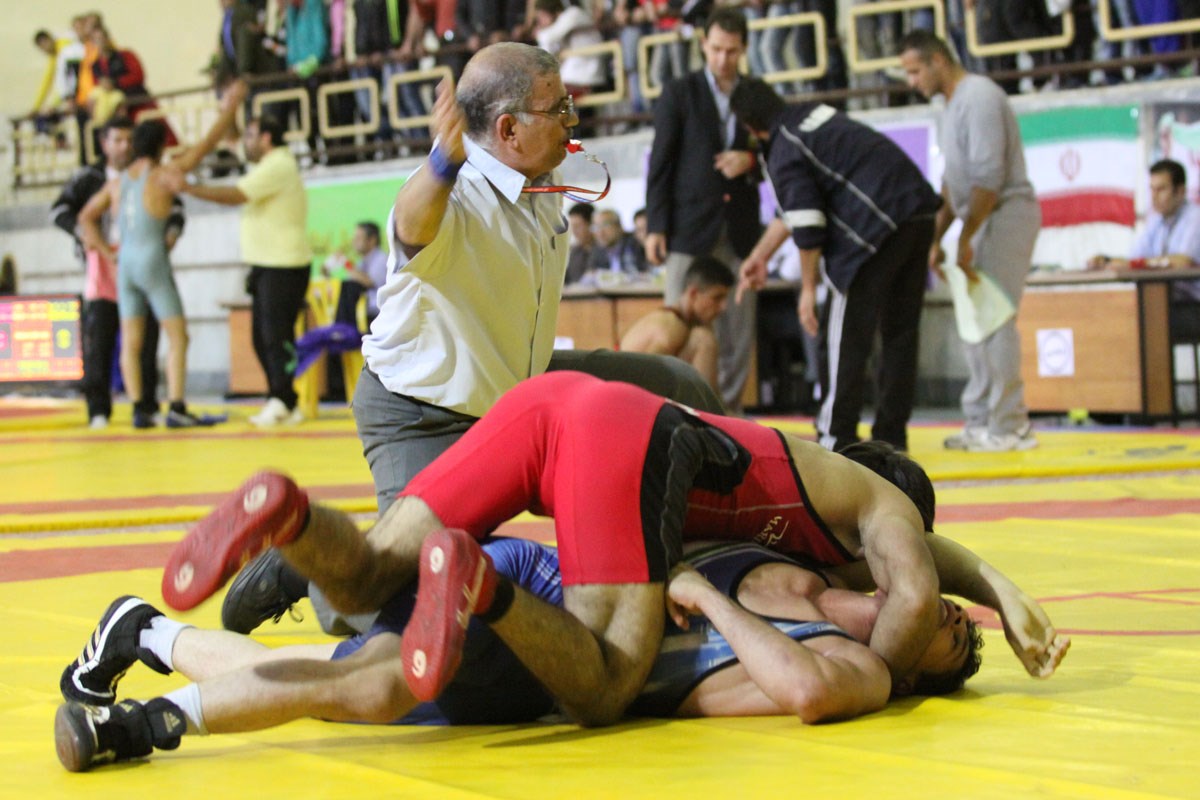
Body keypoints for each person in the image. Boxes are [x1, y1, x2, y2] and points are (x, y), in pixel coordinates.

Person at [160, 372, 1065, 731]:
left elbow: (935, 564)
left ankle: (289, 517)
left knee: (368, 572)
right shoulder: (883, 508)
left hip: (546, 405)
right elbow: (914, 590)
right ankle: (476, 583)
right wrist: (891, 682)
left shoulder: (827, 503)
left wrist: (998, 584)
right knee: (603, 683)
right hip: (627, 440)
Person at [218, 42, 723, 639]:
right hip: (426, 413)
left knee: (674, 386)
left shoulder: (542, 174)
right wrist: (440, 163)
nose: (572, 120)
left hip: (522, 390)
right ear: (508, 129)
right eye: (559, 108)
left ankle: (725, 537)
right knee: (408, 596)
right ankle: (305, 569)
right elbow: (411, 223)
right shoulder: (453, 191)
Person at [54, 536, 993, 771]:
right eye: (952, 610)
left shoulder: (861, 671)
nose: (945, 614)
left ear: (917, 668)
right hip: (543, 588)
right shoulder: (832, 564)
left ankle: (149, 631)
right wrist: (999, 588)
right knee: (365, 686)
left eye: (952, 634)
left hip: (549, 662)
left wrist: (707, 596)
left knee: (346, 685)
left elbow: (804, 694)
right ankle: (144, 724)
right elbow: (911, 532)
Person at [731, 79, 942, 453]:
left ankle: (836, 436)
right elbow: (792, 209)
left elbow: (807, 223)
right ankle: (892, 436)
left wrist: (808, 289)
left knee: (844, 338)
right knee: (900, 333)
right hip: (919, 211)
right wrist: (760, 255)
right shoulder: (813, 115)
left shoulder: (783, 145)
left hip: (873, 229)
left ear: (749, 128)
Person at [899, 30, 1042, 454]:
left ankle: (1011, 425)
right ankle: (981, 420)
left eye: (915, 71)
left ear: (938, 61)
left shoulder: (979, 97)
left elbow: (987, 180)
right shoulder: (951, 106)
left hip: (1004, 214)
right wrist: (937, 237)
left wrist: (965, 236)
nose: (911, 82)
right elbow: (952, 184)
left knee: (995, 320)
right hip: (978, 217)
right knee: (974, 324)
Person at [77, 83, 245, 429]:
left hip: (125, 264)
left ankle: (140, 408)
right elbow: (205, 146)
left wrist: (106, 252)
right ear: (161, 146)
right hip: (152, 259)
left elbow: (85, 217)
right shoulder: (163, 176)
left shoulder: (117, 183)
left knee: (131, 341)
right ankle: (177, 406)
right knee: (178, 336)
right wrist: (230, 108)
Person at [645, 7, 763, 414]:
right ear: (703, 45)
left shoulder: (757, 94)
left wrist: (751, 162)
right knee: (677, 320)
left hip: (740, 227)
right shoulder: (680, 92)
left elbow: (779, 153)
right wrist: (656, 225)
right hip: (687, 225)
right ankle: (672, 413)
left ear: (744, 48)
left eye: (731, 51)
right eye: (715, 49)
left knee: (737, 328)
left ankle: (730, 415)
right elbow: (661, 161)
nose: (723, 59)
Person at [181, 114, 312, 428]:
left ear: (266, 138)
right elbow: (231, 139)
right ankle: (282, 399)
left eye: (251, 136)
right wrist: (229, 106)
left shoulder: (279, 165)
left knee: (276, 337)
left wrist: (188, 188)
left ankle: (282, 399)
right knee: (260, 337)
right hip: (267, 263)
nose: (244, 143)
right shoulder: (265, 163)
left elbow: (235, 195)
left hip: (284, 263)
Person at [51, 115, 175, 429]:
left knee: (144, 339)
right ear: (104, 143)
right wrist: (94, 243)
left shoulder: (148, 174)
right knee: (101, 341)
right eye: (117, 140)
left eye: (129, 140)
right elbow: (69, 213)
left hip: (141, 261)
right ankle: (98, 409)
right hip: (104, 266)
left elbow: (176, 209)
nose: (124, 147)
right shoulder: (92, 178)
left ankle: (144, 405)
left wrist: (167, 240)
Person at [620, 256, 733, 394]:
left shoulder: (683, 324)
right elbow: (645, 382)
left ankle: (712, 407)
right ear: (693, 293)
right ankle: (708, 408)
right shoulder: (672, 326)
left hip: (631, 393)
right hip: (627, 396)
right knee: (704, 340)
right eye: (717, 298)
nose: (723, 307)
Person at [339, 221, 390, 325]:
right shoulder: (362, 261)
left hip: (377, 312)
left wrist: (346, 264)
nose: (353, 241)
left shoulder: (381, 259)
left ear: (372, 240)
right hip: (362, 310)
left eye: (358, 238)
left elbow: (369, 282)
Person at [594, 208, 649, 277]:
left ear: (619, 226)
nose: (600, 233)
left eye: (606, 225)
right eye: (596, 227)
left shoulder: (635, 243)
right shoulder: (598, 250)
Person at [565, 201, 607, 285]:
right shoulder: (575, 251)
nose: (574, 231)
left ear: (591, 224)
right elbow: (566, 280)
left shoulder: (605, 249)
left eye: (578, 226)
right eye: (572, 226)